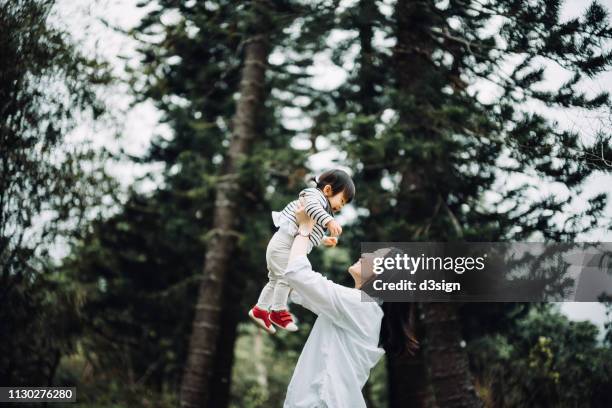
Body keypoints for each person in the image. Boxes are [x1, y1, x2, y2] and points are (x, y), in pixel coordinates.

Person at [282, 198, 419, 408]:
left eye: (375, 256)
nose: (366, 254)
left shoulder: (361, 306)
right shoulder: (359, 309)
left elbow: (297, 275)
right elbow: (296, 287)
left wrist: (305, 228)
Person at [249, 169, 355, 333]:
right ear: (327, 190)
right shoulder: (314, 197)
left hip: (282, 245)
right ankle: (278, 311)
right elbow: (311, 209)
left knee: (276, 280)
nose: (340, 206)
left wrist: (322, 239)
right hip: (283, 245)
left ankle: (260, 310)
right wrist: (328, 221)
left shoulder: (322, 206)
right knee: (287, 277)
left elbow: (305, 228)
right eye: (341, 200)